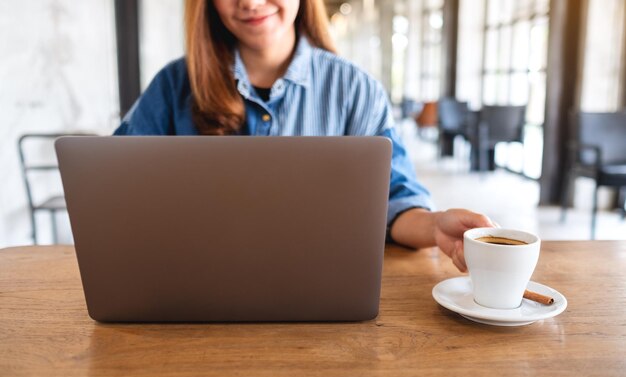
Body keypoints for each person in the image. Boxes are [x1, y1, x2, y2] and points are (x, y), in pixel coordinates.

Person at [114, 0, 495, 272]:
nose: (249, 3)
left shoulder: (354, 90)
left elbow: (393, 203)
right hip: (193, 285)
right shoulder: (174, 85)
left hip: (321, 292)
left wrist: (435, 224)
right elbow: (117, 189)